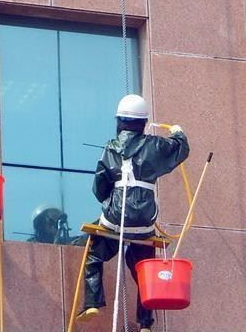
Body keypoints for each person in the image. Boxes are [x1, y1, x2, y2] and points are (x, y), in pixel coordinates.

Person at [77, 94, 189, 332]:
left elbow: (99, 188)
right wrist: (178, 132)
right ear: (143, 123)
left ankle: (92, 303)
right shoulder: (155, 146)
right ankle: (145, 323)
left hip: (115, 219)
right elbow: (181, 148)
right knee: (145, 267)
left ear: (119, 122)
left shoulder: (110, 148)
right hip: (144, 221)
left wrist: (111, 200)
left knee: (94, 254)